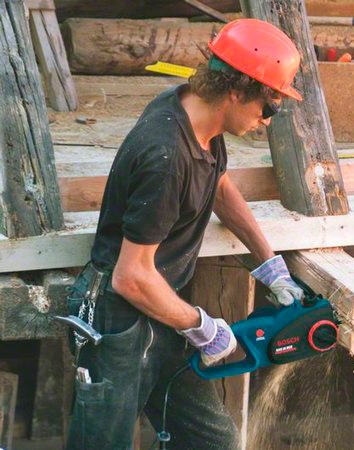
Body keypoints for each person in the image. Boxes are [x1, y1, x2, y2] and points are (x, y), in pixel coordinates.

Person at [65, 19, 304, 450]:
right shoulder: (166, 155)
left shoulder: (196, 117)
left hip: (162, 310)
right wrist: (202, 326)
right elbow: (130, 277)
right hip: (118, 321)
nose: (268, 121)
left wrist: (269, 264)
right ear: (237, 90)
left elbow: (219, 185)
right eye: (269, 107)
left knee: (212, 441)